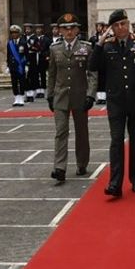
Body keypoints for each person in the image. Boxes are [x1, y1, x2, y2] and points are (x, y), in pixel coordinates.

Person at [90, 9, 135, 197]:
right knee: (116, 140)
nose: (121, 28)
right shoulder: (108, 46)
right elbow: (92, 66)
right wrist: (100, 42)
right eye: (117, 25)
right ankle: (115, 184)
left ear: (128, 23)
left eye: (124, 23)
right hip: (116, 102)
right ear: (112, 28)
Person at [47, 13, 97, 184]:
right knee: (61, 132)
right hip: (60, 96)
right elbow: (52, 74)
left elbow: (92, 74)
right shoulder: (54, 49)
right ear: (60, 31)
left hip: (80, 96)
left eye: (72, 28)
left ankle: (82, 163)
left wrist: (90, 95)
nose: (68, 32)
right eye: (65, 29)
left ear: (77, 30)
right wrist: (50, 95)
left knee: (81, 132)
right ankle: (59, 168)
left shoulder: (86, 48)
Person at [6, 25, 29, 106]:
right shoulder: (10, 43)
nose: (14, 34)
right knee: (14, 82)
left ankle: (22, 98)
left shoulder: (23, 42)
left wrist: (26, 65)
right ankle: (16, 98)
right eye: (12, 33)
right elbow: (8, 55)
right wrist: (8, 66)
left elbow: (27, 54)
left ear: (19, 33)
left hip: (21, 66)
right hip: (13, 66)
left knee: (22, 82)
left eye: (15, 33)